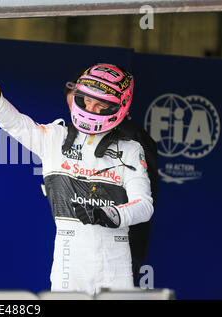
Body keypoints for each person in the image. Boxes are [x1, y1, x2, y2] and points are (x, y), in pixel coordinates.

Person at [0, 57, 154, 295]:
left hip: (115, 265)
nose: (91, 109)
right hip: (69, 263)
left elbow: (145, 206)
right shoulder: (54, 137)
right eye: (87, 100)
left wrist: (112, 214)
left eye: (101, 106)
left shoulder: (131, 149)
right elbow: (16, 124)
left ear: (119, 106)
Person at [64, 79, 159, 285]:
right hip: (85, 247)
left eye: (93, 104)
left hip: (122, 242)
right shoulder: (74, 136)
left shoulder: (132, 139)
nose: (84, 113)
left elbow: (145, 199)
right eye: (80, 105)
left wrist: (111, 214)